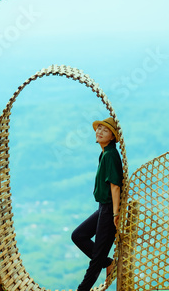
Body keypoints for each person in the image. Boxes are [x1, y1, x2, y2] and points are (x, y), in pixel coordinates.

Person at [71, 117, 123, 291]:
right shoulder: (104, 153)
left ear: (112, 137)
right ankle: (108, 263)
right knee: (78, 235)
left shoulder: (111, 155)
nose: (100, 132)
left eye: (105, 130)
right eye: (99, 128)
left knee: (96, 258)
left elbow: (115, 186)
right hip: (103, 207)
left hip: (109, 210)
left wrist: (116, 213)